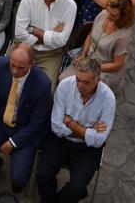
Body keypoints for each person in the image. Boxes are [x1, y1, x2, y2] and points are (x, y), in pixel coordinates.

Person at [0, 44, 51, 193]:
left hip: (23, 129)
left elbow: (37, 121)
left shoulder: (43, 84)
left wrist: (13, 142)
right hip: (0, 122)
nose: (14, 71)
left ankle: (22, 166)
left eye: (20, 68)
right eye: (12, 65)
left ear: (31, 64)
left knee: (19, 180)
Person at [37, 58, 115, 203]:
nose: (79, 85)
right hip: (59, 140)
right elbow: (56, 126)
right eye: (78, 79)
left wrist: (71, 123)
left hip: (87, 148)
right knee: (42, 176)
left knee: (77, 189)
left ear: (98, 80)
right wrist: (89, 130)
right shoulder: (66, 85)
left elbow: (98, 141)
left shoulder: (108, 98)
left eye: (86, 82)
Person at [62, 0, 135, 93]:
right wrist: (83, 54)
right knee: (63, 80)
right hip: (88, 58)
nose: (108, 15)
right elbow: (90, 35)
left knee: (81, 91)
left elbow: (117, 64)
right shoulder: (103, 14)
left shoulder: (123, 37)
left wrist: (94, 68)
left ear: (123, 17)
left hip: (104, 69)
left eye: (113, 15)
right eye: (108, 10)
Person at [13, 0, 77, 82]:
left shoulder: (70, 6)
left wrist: (32, 29)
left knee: (47, 89)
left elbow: (62, 41)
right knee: (8, 79)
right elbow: (19, 33)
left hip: (51, 54)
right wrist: (50, 34)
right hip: (24, 46)